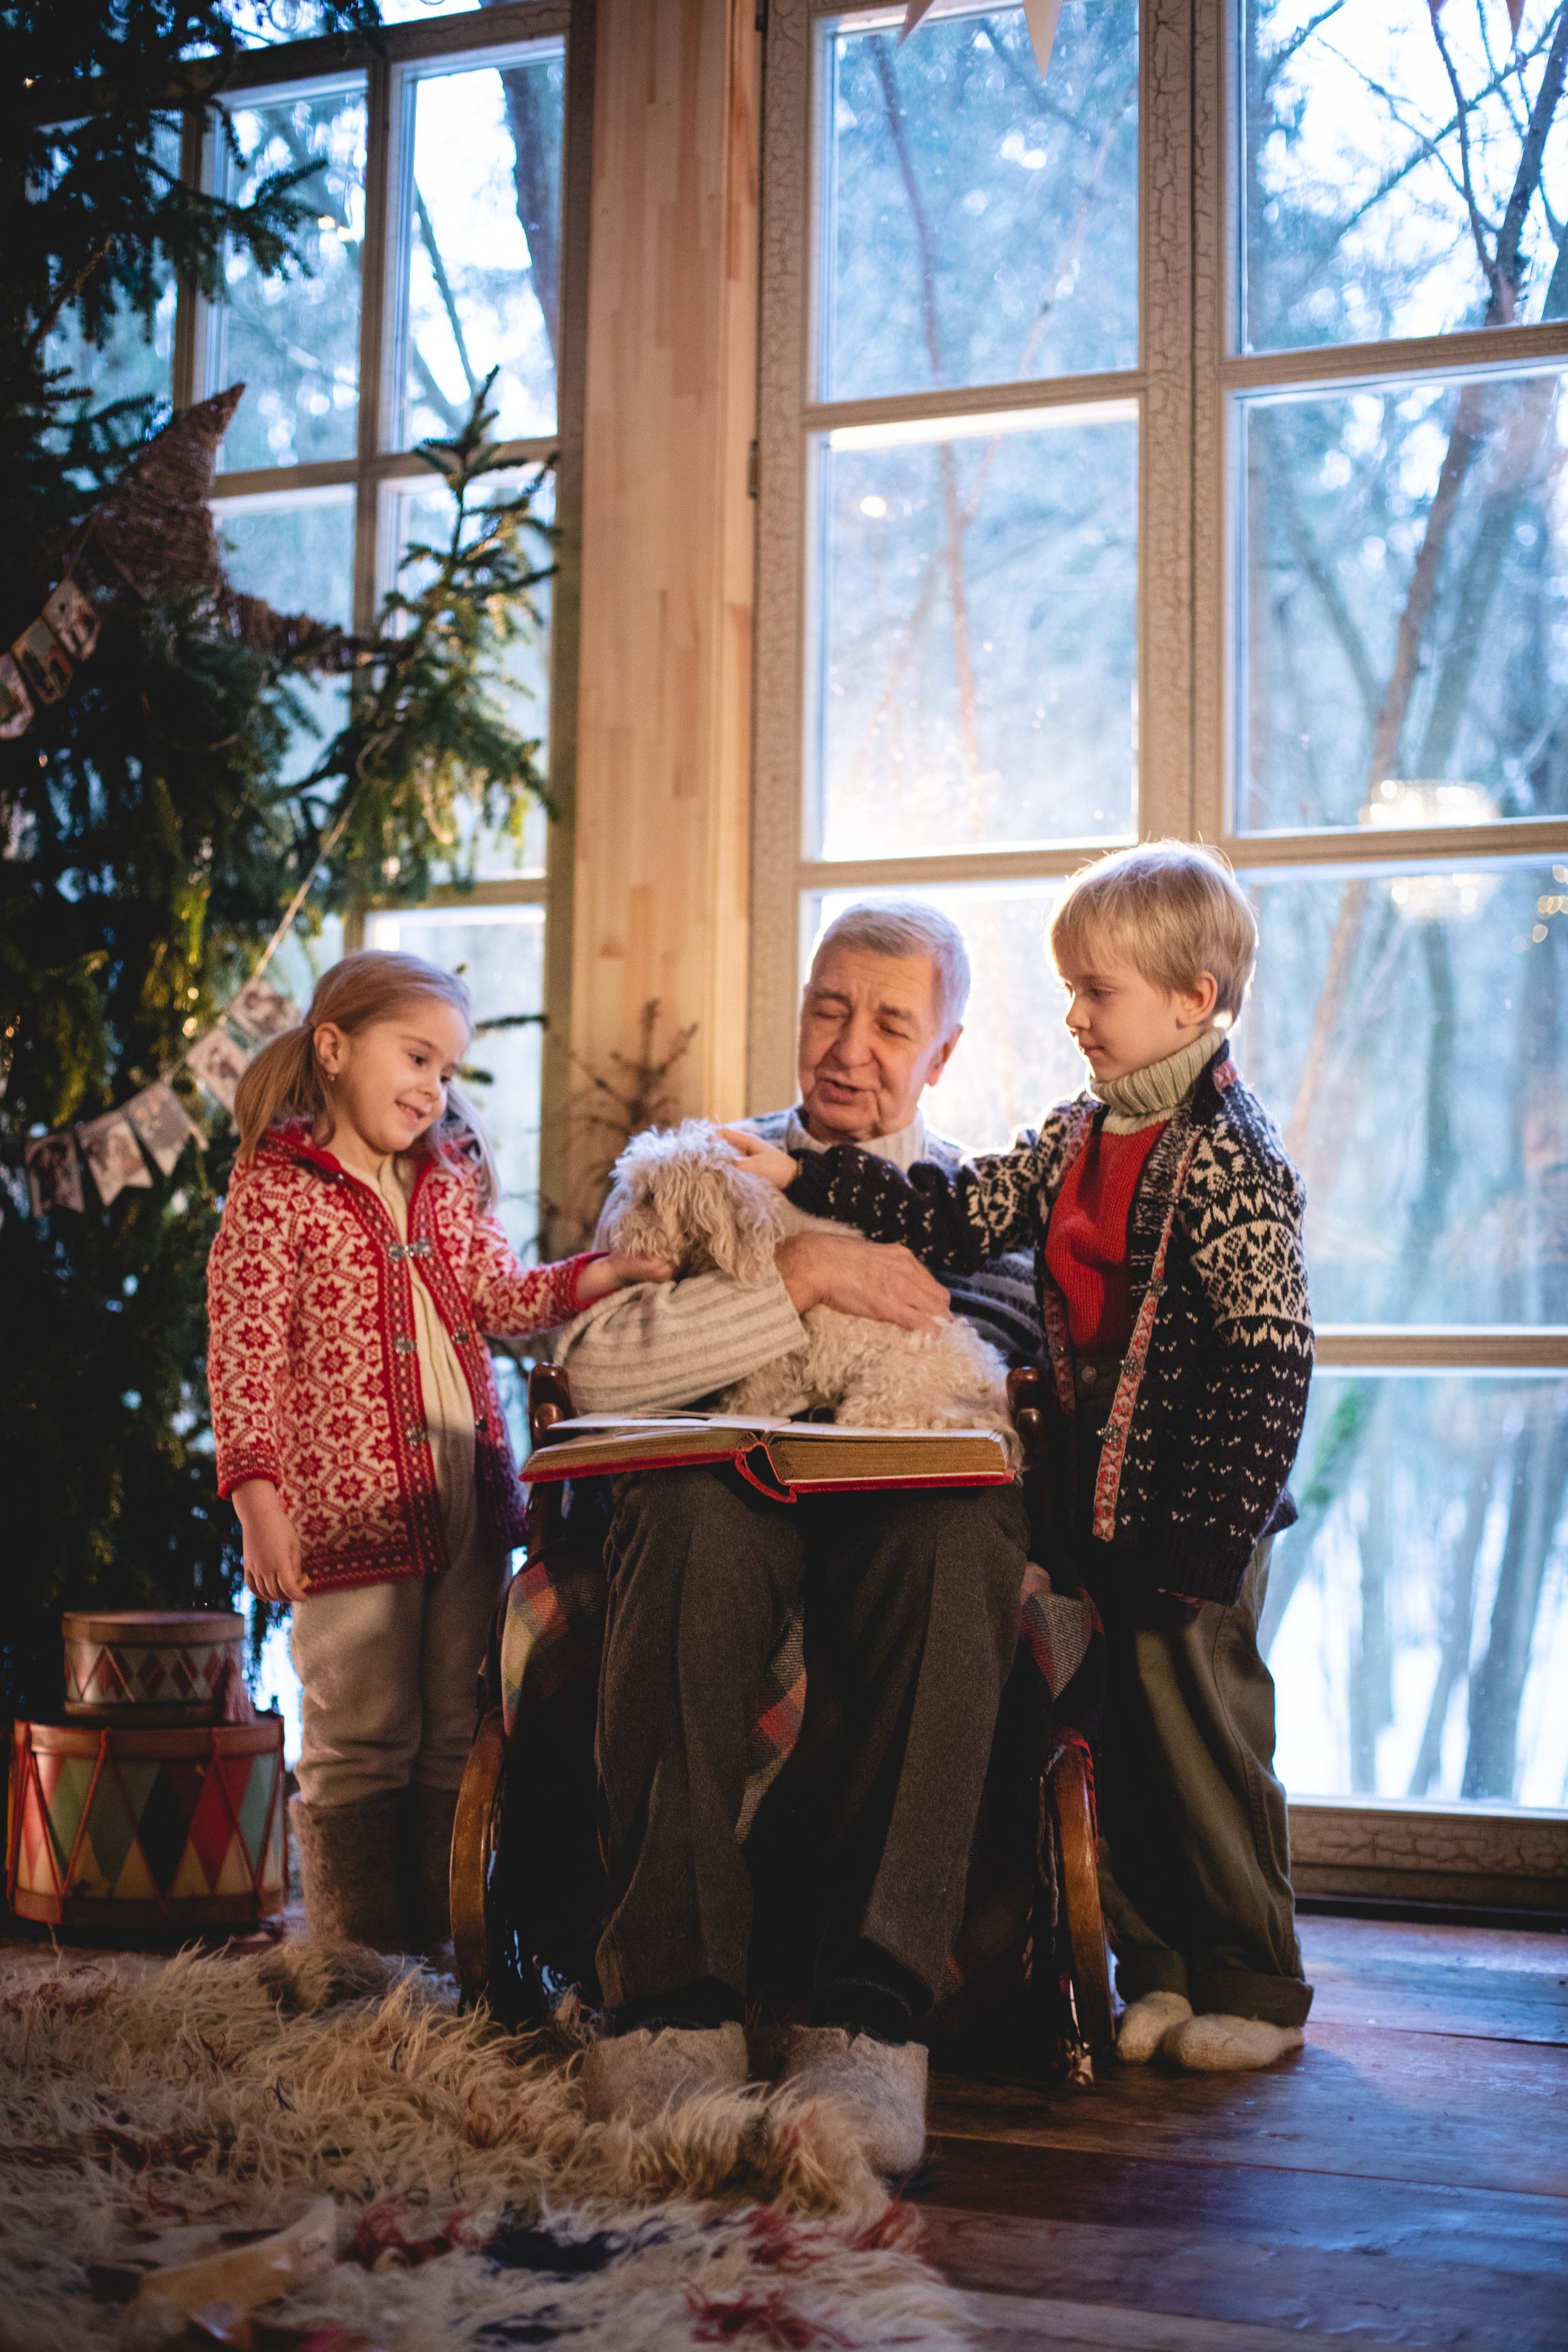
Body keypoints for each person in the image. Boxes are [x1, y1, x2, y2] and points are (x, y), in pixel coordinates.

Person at [726, 845, 1316, 2072]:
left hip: (1195, 1515)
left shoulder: (1229, 1163)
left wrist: (1207, 1535)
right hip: (1105, 1504)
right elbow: (953, 1214)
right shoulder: (1079, 1132)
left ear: (1191, 1000)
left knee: (1206, 1737)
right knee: (1133, 1748)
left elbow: (1267, 1364)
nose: (1073, 1015)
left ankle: (1253, 1980)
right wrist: (807, 1176)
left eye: (1094, 992)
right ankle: (1155, 1973)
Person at [548, 902, 1039, 2173]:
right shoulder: (693, 1167)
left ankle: (865, 2018)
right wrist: (802, 1278)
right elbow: (596, 1370)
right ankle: (664, 2010)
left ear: (939, 1053)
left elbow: (993, 1380)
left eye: (890, 1024)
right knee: (687, 1513)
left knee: (964, 1526)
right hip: (723, 1497)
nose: (850, 1047)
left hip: (897, 1512)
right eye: (831, 1009)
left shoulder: (979, 1204)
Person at [206, 950, 672, 1953]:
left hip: (463, 1503)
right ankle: (355, 1951)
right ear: (333, 1049)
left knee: (454, 1731)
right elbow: (243, 1360)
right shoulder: (275, 1194)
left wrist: (601, 1274)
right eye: (417, 1058)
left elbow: (500, 1298)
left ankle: (439, 1944)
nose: (433, 1088)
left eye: (448, 1071)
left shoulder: (446, 1181)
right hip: (347, 1517)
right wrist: (260, 1502)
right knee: (360, 1730)